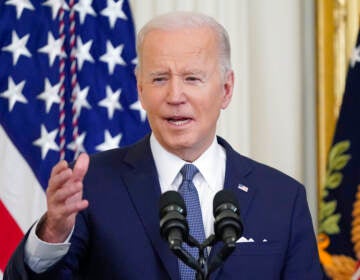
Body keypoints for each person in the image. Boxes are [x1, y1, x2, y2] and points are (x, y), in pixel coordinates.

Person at [4, 11, 323, 279]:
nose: (174, 96)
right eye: (159, 79)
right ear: (140, 89)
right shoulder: (91, 187)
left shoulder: (282, 199)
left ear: (226, 90)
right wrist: (53, 234)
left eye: (192, 78)